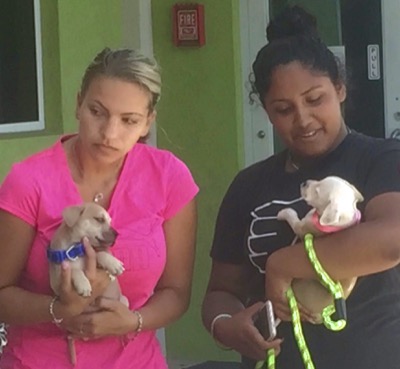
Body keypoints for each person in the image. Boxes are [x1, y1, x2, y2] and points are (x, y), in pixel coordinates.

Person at [202, 5, 400, 369]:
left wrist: (283, 264)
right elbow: (220, 292)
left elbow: (392, 239)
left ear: (339, 88)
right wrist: (229, 326)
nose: (303, 119)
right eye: (283, 109)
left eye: (315, 99)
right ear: (265, 111)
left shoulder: (382, 158)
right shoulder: (249, 185)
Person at [0, 47, 199, 369]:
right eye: (97, 112)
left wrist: (132, 321)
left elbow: (176, 293)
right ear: (78, 103)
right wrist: (59, 309)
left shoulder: (169, 177)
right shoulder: (29, 181)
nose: (109, 133)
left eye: (129, 121)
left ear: (148, 122)